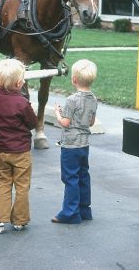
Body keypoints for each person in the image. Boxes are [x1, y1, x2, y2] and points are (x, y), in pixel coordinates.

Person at [0, 59, 37, 233]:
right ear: (19, 83)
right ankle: (20, 220)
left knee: (3, 183)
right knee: (22, 185)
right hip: (21, 151)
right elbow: (32, 123)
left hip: (2, 149)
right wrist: (30, 109)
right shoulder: (22, 103)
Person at [52, 59, 98, 224]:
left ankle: (70, 212)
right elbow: (91, 122)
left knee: (70, 177)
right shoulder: (93, 98)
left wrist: (57, 113)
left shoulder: (71, 100)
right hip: (84, 144)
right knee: (83, 175)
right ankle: (84, 209)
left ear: (74, 80)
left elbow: (65, 122)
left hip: (70, 145)